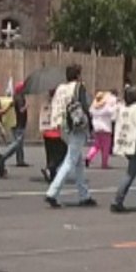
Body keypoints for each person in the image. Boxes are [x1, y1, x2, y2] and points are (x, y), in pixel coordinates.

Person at [45, 64, 95, 208]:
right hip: (76, 126)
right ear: (78, 75)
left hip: (62, 126)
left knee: (78, 161)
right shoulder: (79, 87)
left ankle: (84, 195)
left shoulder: (60, 88)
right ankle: (52, 193)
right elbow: (86, 105)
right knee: (70, 161)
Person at [0, 82, 30, 168]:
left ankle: (20, 160)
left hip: (15, 122)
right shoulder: (20, 98)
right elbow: (21, 110)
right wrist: (26, 106)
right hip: (19, 123)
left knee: (19, 143)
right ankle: (4, 156)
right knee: (18, 143)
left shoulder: (15, 97)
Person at [40, 88, 66, 183]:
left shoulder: (45, 102)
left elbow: (42, 116)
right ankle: (50, 168)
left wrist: (42, 128)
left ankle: (51, 174)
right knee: (63, 151)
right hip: (55, 131)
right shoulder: (58, 103)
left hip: (46, 131)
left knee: (50, 154)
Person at [86, 91, 116, 169]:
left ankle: (89, 157)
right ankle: (104, 163)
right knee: (106, 147)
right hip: (106, 129)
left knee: (96, 145)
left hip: (96, 128)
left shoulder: (93, 107)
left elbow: (90, 112)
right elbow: (113, 112)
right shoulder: (106, 107)